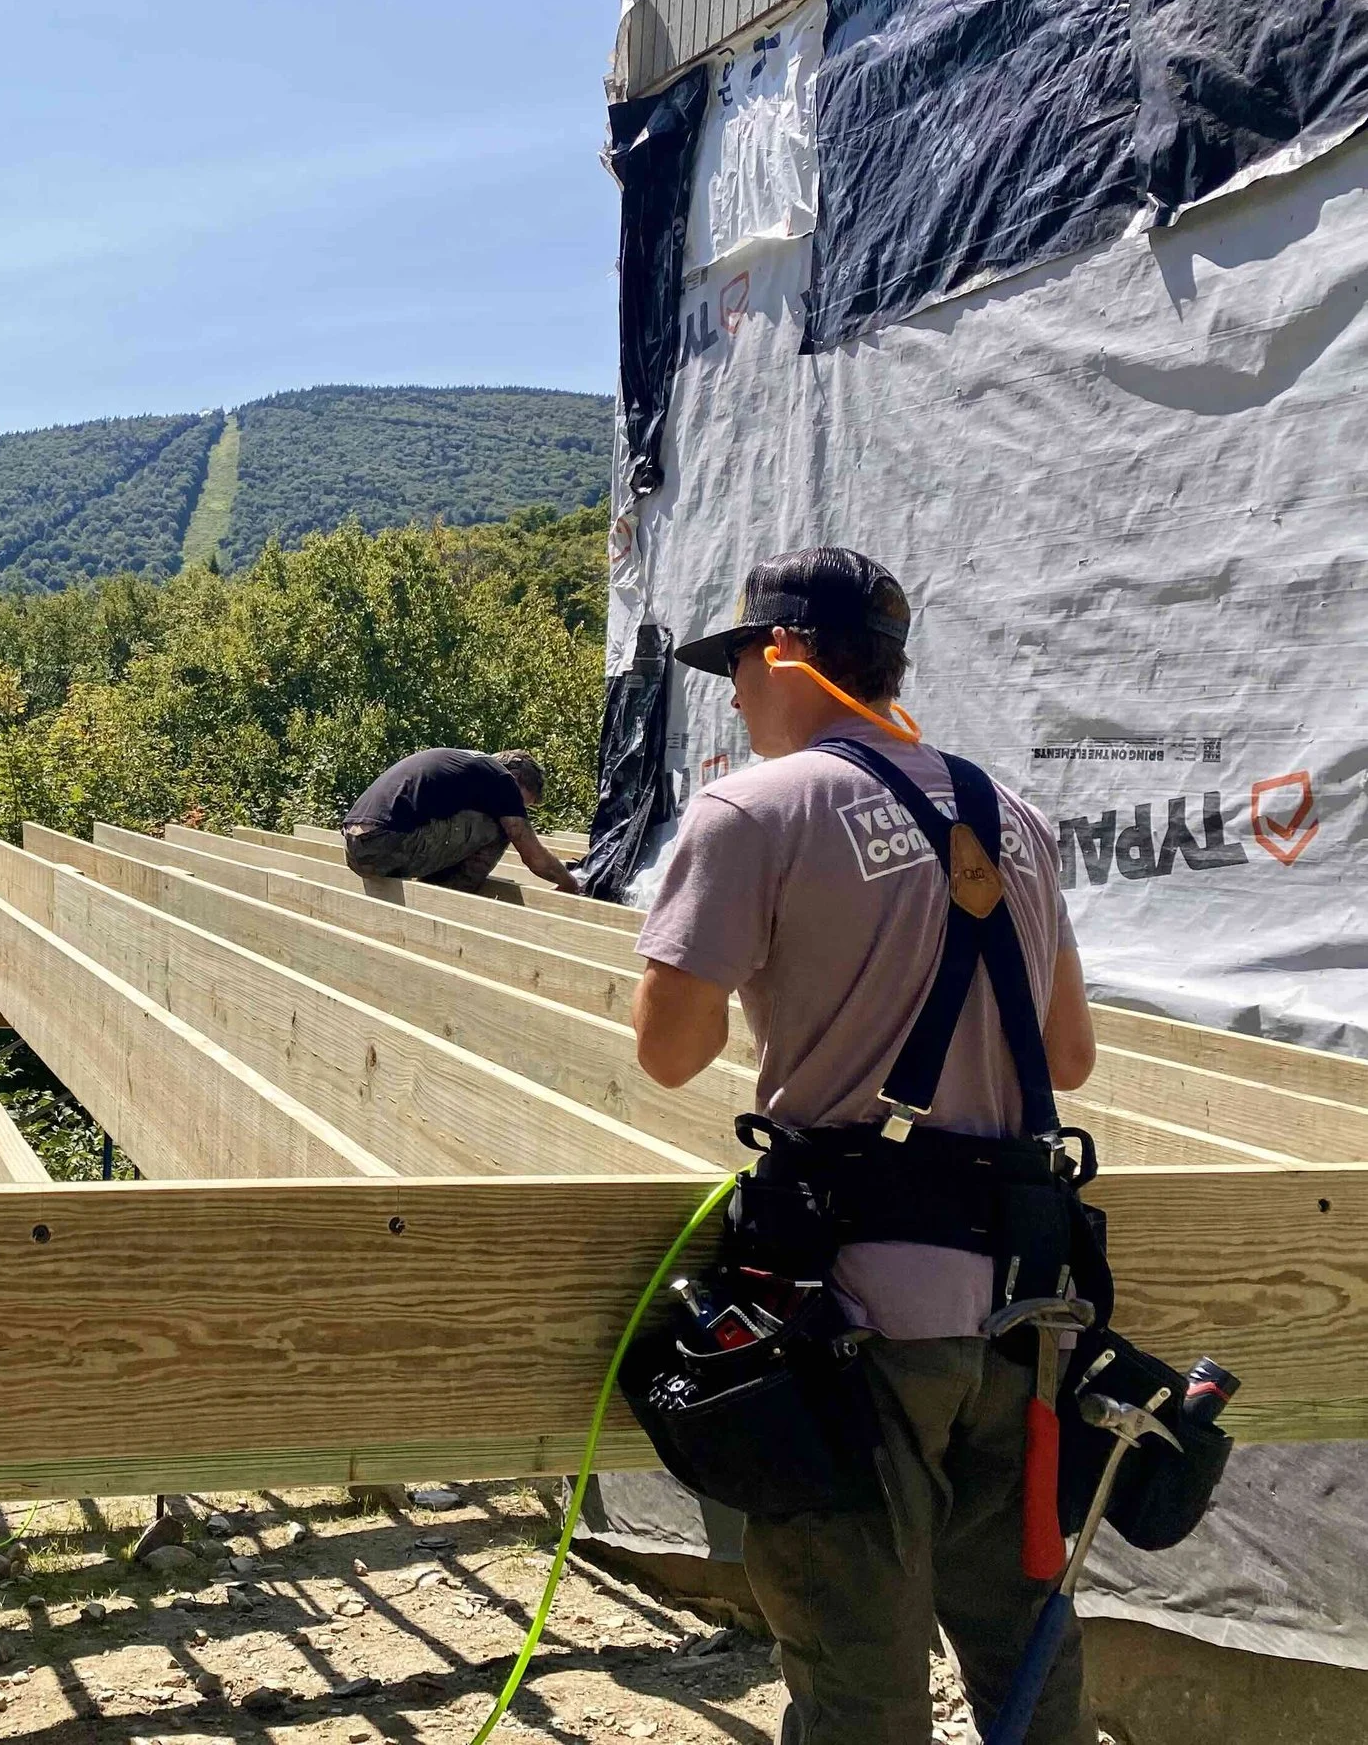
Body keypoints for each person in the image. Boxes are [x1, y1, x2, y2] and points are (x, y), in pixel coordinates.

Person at [627, 547, 1100, 1745]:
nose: (729, 695)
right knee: (1023, 1632)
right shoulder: (1014, 816)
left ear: (781, 652)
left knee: (856, 1671)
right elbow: (1071, 1057)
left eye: (735, 664)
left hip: (858, 1312)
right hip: (1023, 1306)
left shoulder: (753, 808)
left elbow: (668, 1054)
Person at [339, 747, 579, 893]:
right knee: (503, 827)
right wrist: (569, 883)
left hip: (355, 847)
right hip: (386, 844)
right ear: (515, 776)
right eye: (521, 802)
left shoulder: (465, 766)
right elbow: (532, 856)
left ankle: (431, 893)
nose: (518, 807)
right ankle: (445, 901)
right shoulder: (501, 779)